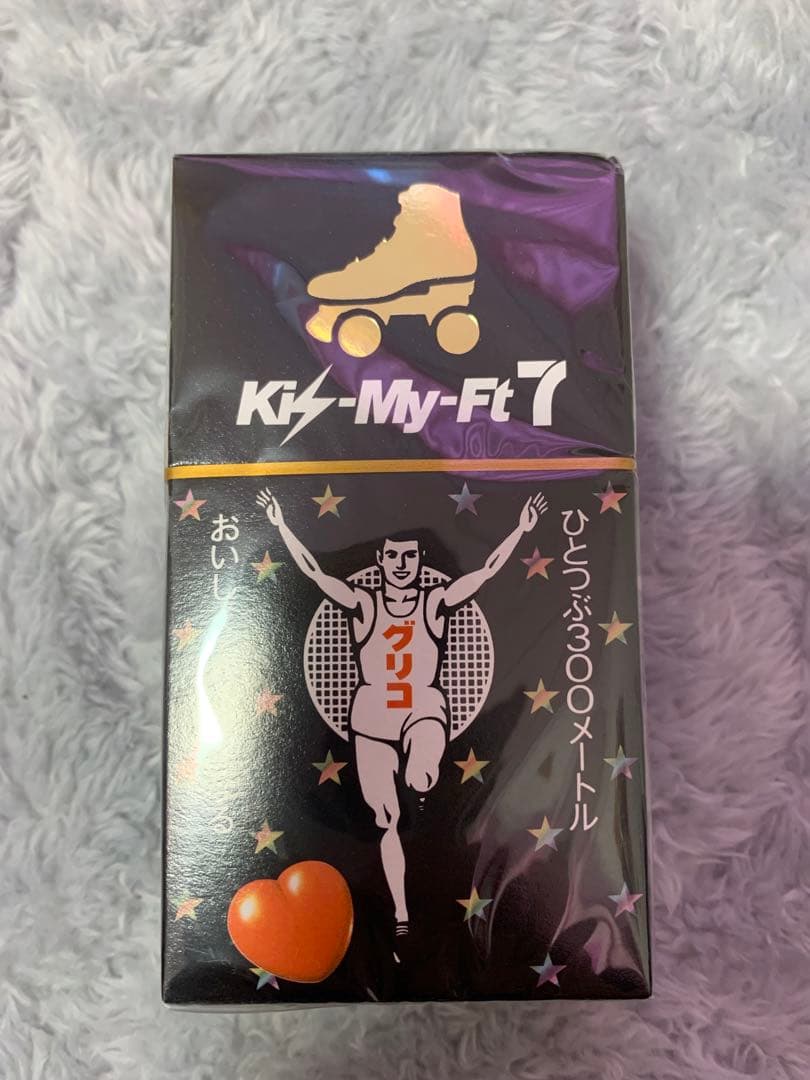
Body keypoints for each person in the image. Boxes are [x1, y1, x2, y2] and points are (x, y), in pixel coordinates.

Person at [256, 487, 547, 937]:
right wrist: (280, 524)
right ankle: (401, 914)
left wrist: (521, 530)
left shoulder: (434, 602)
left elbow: (487, 571)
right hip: (371, 720)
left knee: (422, 772)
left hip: (422, 710)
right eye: (393, 557)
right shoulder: (364, 603)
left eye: (409, 557)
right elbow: (314, 571)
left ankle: (421, 773)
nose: (401, 564)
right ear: (382, 561)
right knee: (387, 821)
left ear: (417, 562)